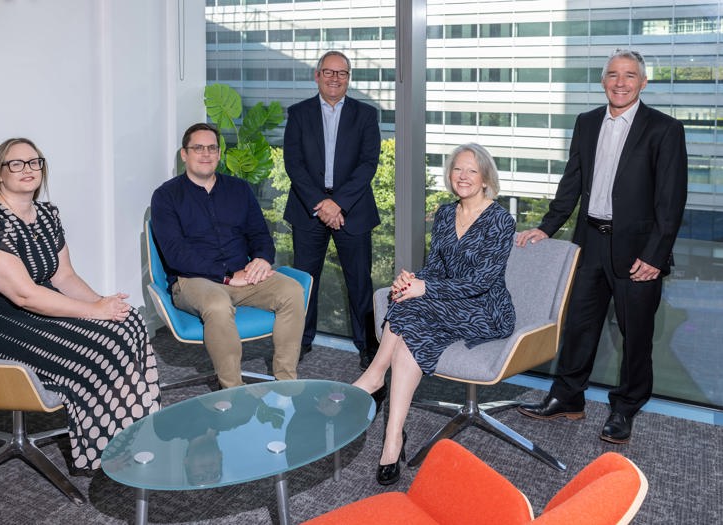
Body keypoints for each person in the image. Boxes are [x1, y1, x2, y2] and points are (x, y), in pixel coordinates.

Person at [0, 138, 162, 475]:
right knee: (104, 345)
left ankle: (137, 436)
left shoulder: (47, 214)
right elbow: (24, 296)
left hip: (34, 311)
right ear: (0, 175)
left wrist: (104, 305)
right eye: (16, 163)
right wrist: (95, 312)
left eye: (34, 162)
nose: (28, 169)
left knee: (130, 322)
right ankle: (104, 456)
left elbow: (64, 276)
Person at [516, 49, 688, 444]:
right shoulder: (587, 122)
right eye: (613, 74)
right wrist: (548, 227)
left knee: (637, 335)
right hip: (590, 242)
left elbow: (671, 199)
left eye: (630, 75)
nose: (620, 82)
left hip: (640, 252)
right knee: (578, 325)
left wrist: (656, 256)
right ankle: (567, 397)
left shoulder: (664, 129)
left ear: (643, 82)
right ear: (603, 80)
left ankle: (624, 409)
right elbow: (572, 181)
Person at [353, 143, 516, 485]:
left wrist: (423, 289)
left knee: (412, 303)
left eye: (472, 170)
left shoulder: (500, 219)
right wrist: (411, 279)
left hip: (485, 308)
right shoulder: (444, 213)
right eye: (458, 169)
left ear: (486, 177)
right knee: (410, 331)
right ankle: (392, 441)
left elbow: (481, 281)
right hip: (446, 303)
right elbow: (437, 268)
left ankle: (374, 374)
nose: (463, 176)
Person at [150, 122, 305, 389]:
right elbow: (176, 254)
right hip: (194, 281)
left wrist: (262, 259)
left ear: (219, 154)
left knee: (291, 290)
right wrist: (227, 277)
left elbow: (260, 234)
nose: (206, 153)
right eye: (198, 148)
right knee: (218, 305)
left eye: (212, 148)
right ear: (184, 154)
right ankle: (233, 390)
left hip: (242, 276)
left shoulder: (239, 190)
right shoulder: (166, 196)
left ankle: (286, 382)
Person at [283, 50, 381, 370]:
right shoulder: (298, 114)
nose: (335, 78)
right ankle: (301, 341)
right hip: (308, 207)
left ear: (348, 78)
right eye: (329, 72)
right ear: (317, 75)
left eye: (342, 73)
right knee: (304, 282)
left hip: (351, 208)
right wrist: (322, 204)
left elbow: (368, 165)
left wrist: (338, 203)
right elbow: (294, 165)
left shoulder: (366, 115)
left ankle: (368, 347)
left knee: (359, 282)